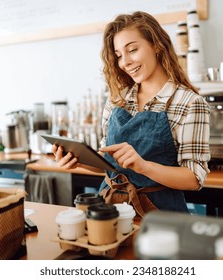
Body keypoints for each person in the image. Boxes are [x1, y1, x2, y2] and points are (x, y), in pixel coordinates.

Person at [52, 11, 210, 214]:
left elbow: (194, 178)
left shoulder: (190, 103)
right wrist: (79, 161)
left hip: (159, 217)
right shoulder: (117, 100)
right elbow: (108, 165)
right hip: (109, 211)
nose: (124, 62)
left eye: (132, 50)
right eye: (118, 55)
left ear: (156, 45)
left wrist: (143, 166)